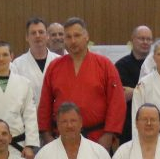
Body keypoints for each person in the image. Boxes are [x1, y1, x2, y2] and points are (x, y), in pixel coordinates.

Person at [38, 17, 126, 150]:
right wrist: (46, 135)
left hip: (97, 137)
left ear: (86, 37)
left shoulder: (104, 65)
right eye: (68, 37)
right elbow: (45, 104)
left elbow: (117, 102)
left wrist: (109, 134)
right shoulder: (54, 67)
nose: (73, 41)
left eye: (77, 35)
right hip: (62, 138)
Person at [114, 25, 154, 145]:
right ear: (132, 40)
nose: (145, 42)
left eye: (148, 39)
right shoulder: (121, 66)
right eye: (141, 38)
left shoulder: (157, 64)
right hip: (129, 123)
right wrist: (146, 91)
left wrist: (134, 91)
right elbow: (121, 95)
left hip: (154, 120)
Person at [10, 17, 52, 104]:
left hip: (54, 111)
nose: (37, 36)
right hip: (28, 111)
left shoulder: (58, 61)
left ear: (47, 35)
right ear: (27, 37)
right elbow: (14, 95)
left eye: (41, 32)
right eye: (33, 33)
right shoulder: (18, 64)